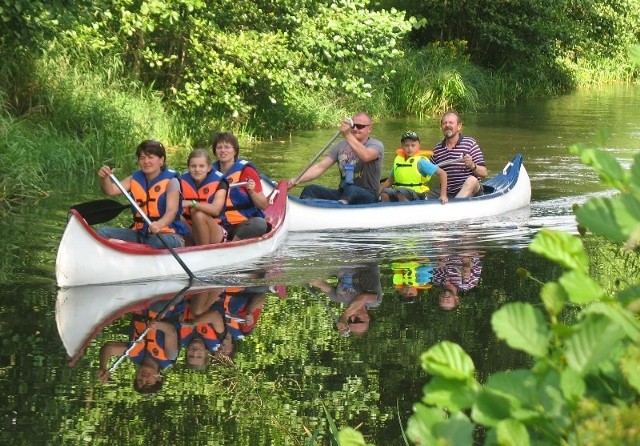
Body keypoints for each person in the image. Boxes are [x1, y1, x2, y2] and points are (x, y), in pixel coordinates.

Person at [96, 140, 188, 248]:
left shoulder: (172, 181)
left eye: (150, 157)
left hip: (168, 235)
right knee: (102, 232)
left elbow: (172, 211)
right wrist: (104, 178)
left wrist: (159, 224)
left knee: (155, 242)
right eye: (142, 158)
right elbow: (110, 191)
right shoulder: (134, 179)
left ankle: (138, 251)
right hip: (141, 234)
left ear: (161, 160)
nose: (146, 161)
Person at [287, 112, 384, 204]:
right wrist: (297, 179)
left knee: (352, 190)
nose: (355, 129)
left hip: (368, 195)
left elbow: (366, 156)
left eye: (360, 126)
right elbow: (319, 167)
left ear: (369, 129)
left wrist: (347, 135)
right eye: (353, 125)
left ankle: (339, 211)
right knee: (310, 189)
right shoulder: (340, 146)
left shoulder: (376, 145)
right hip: (343, 193)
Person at [211, 132, 269, 241]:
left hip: (241, 224)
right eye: (219, 147)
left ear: (235, 150)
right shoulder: (208, 172)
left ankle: (233, 244)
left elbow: (263, 205)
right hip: (217, 226)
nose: (223, 150)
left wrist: (251, 192)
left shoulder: (247, 171)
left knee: (259, 224)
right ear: (215, 151)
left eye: (227, 147)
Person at [309, 264, 383, 336]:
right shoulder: (374, 301)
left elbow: (318, 283)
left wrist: (310, 280)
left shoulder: (336, 297)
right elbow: (362, 298)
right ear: (367, 317)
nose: (352, 317)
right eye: (357, 320)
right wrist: (345, 317)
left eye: (349, 321)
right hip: (364, 257)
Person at [427, 111, 488, 199]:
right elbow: (427, 171)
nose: (447, 125)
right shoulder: (437, 149)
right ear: (441, 127)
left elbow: (484, 173)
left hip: (471, 189)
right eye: (444, 123)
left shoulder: (470, 143)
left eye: (451, 123)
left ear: (459, 126)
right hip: (446, 191)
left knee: (472, 180)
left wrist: (472, 165)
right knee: (423, 195)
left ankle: (454, 207)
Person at [379, 131, 448, 203]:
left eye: (413, 145)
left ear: (418, 146)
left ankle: (406, 211)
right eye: (407, 145)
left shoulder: (421, 162)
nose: (410, 148)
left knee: (402, 193)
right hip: (399, 191)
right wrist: (379, 192)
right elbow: (390, 180)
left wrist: (443, 195)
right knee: (385, 193)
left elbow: (443, 174)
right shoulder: (398, 160)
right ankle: (387, 210)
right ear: (402, 146)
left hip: (417, 193)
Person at [180, 148, 228, 245]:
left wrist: (191, 203)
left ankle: (203, 250)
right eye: (193, 166)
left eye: (201, 166)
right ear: (188, 167)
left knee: (198, 214)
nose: (197, 170)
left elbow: (215, 210)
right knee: (173, 213)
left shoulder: (220, 183)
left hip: (215, 231)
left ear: (209, 167)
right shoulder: (181, 181)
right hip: (191, 229)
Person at [179, 288, 226, 370]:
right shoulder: (218, 338)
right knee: (198, 312)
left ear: (186, 353)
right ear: (206, 353)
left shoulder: (180, 337)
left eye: (191, 355)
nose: (195, 352)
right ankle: (209, 286)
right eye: (199, 356)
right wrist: (191, 323)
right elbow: (215, 315)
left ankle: (210, 286)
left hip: (188, 295)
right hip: (215, 298)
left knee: (197, 311)